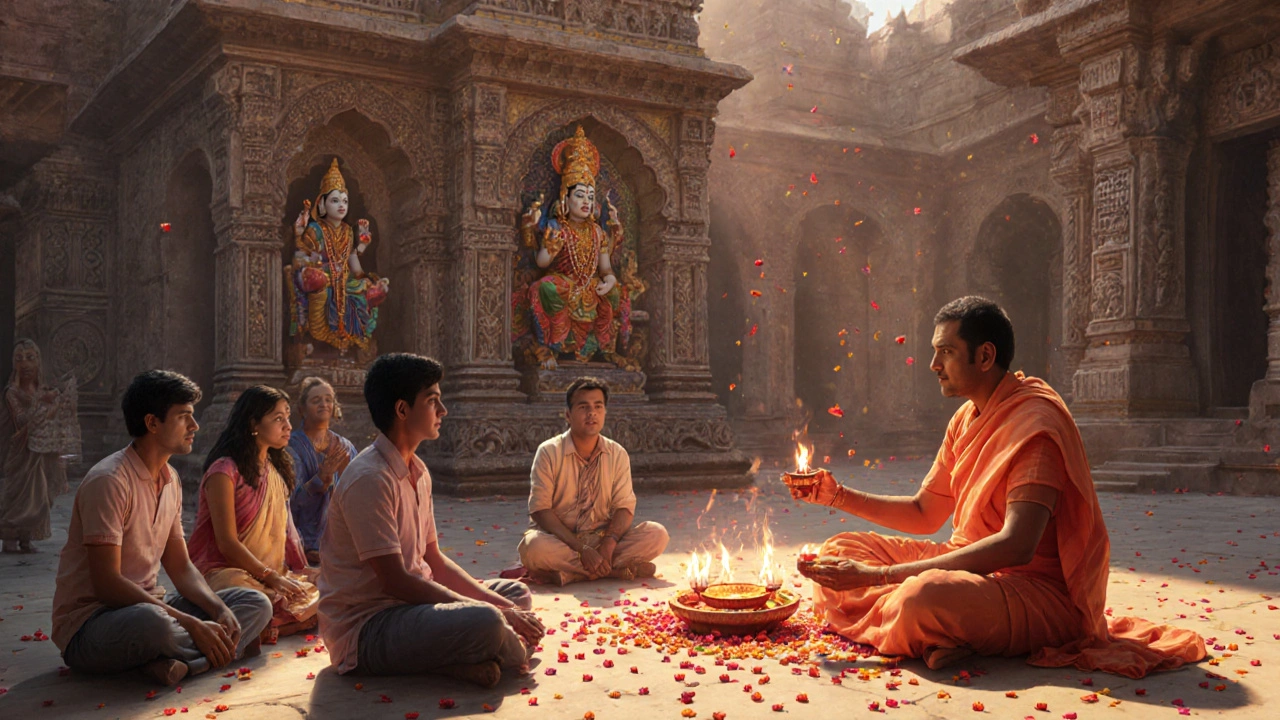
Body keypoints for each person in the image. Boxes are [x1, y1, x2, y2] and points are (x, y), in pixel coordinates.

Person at [792, 297, 1206, 679]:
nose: (934, 364)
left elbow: (1015, 546)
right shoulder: (966, 418)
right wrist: (836, 495)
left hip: (1036, 593)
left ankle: (930, 627)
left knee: (921, 596)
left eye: (947, 352)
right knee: (837, 554)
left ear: (985, 355)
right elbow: (925, 513)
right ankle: (938, 635)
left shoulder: (1034, 426)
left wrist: (880, 576)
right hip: (966, 567)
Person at [318, 353, 544, 686]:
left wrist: (506, 607)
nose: (443, 411)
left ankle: (458, 659)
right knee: (488, 621)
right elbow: (396, 582)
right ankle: (485, 649)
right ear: (402, 410)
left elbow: (433, 560)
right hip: (370, 626)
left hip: (415, 610)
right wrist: (499, 615)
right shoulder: (370, 478)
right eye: (433, 401)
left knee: (515, 594)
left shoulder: (419, 471)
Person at [51, 370, 272, 686]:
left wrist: (218, 609)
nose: (194, 426)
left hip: (153, 608)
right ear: (152, 423)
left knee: (254, 604)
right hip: (93, 624)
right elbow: (107, 585)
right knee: (154, 625)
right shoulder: (110, 481)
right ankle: (195, 656)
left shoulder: (171, 479)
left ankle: (171, 663)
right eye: (184, 417)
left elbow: (181, 567)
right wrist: (191, 624)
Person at [188, 385, 319, 642]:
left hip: (269, 573)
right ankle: (261, 628)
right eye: (278, 419)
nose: (288, 426)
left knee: (322, 593)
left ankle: (259, 630)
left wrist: (290, 573)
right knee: (258, 601)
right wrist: (270, 577)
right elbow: (226, 543)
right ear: (254, 424)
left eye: (288, 418)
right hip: (225, 572)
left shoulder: (275, 471)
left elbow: (285, 534)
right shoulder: (223, 471)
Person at [517, 377, 669, 585]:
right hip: (563, 541)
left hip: (604, 541)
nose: (592, 413)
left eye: (598, 406)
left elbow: (624, 507)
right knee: (533, 547)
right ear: (568, 415)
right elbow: (540, 511)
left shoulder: (617, 453)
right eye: (583, 407)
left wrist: (608, 543)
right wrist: (582, 549)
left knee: (657, 534)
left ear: (605, 413)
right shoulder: (549, 452)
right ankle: (613, 571)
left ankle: (570, 574)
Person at [0, 339, 78, 553]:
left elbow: (53, 420)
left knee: (42, 497)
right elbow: (22, 421)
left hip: (44, 451)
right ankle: (9, 537)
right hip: (22, 453)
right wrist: (40, 402)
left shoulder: (42, 389)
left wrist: (58, 403)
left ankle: (26, 537)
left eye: (30, 358)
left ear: (38, 362)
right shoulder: (12, 393)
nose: (25, 364)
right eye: (19, 359)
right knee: (20, 496)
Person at [287, 377, 357, 565]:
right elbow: (287, 501)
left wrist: (343, 479)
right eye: (316, 400)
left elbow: (358, 495)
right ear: (302, 409)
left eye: (328, 399)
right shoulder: (291, 447)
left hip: (339, 536)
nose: (324, 404)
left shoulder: (345, 446)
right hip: (304, 535)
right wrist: (319, 480)